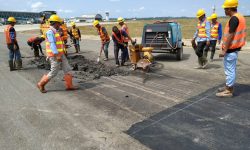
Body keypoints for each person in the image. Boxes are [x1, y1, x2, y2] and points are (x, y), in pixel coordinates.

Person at [37, 15, 78, 93]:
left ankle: (69, 86)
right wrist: (57, 55)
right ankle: (41, 84)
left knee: (67, 69)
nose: (60, 25)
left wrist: (63, 48)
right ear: (55, 23)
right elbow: (52, 44)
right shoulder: (50, 32)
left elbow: (58, 43)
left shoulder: (56, 31)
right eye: (59, 23)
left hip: (60, 54)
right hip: (54, 55)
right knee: (54, 72)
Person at [216, 0, 246, 97]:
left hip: (231, 49)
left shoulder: (234, 19)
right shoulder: (240, 17)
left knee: (229, 70)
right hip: (234, 48)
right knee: (230, 69)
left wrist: (224, 50)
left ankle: (229, 90)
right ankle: (228, 86)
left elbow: (230, 35)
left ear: (229, 9)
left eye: (225, 9)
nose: (224, 11)